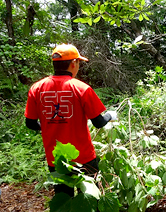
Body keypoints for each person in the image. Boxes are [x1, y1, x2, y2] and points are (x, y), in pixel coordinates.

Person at [24, 44, 117, 197]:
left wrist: (49, 126)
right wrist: (110, 116)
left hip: (56, 158)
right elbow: (98, 122)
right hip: (84, 157)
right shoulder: (82, 88)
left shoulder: (37, 88)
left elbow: (30, 123)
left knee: (64, 199)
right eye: (79, 63)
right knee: (89, 199)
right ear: (73, 63)